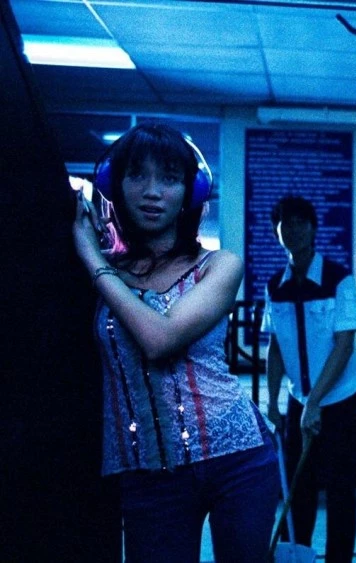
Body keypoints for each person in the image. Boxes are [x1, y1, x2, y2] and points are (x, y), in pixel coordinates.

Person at [72, 123, 279, 562]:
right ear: (115, 184)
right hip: (146, 470)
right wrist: (99, 260)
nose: (152, 192)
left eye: (169, 178)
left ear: (189, 192)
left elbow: (160, 340)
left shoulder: (219, 265)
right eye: (137, 175)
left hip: (238, 457)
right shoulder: (99, 270)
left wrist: (92, 259)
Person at [262, 196, 356, 563]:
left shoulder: (339, 279)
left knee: (339, 488)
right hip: (298, 399)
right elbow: (275, 346)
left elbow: (344, 344)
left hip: (338, 399)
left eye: (300, 222)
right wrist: (273, 401)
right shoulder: (275, 287)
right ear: (277, 232)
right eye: (285, 224)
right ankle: (300, 556)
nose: (293, 230)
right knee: (298, 486)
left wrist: (317, 401)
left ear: (313, 228)